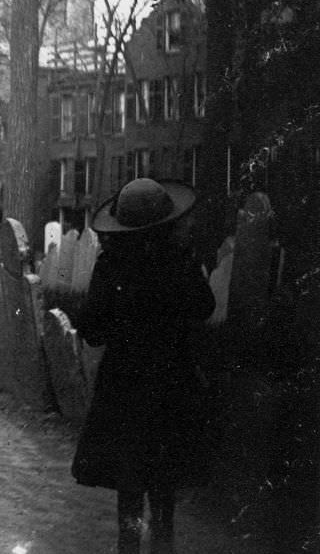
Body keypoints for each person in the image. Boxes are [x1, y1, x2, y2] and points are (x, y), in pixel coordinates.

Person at [72, 177, 216, 554]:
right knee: (164, 482)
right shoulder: (179, 263)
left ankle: (129, 547)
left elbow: (90, 330)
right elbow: (205, 308)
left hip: (124, 386)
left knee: (130, 483)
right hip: (171, 382)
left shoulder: (111, 267)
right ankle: (163, 547)